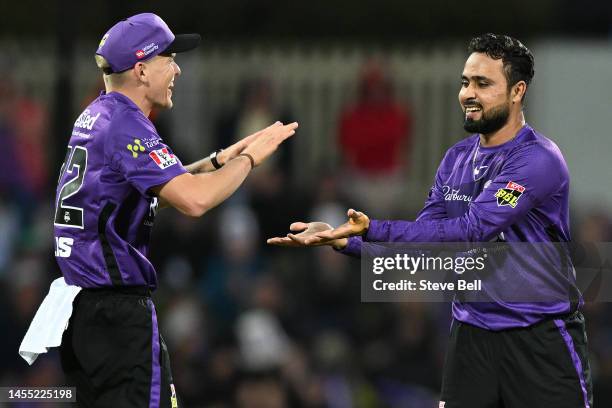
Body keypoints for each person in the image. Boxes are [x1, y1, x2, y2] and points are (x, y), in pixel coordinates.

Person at [269, 33, 593, 408]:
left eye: (483, 83)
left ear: (517, 90)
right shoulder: (455, 159)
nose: (468, 93)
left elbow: (472, 231)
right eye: (465, 82)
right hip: (472, 335)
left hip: (540, 339)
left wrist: (372, 228)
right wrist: (346, 242)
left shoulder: (537, 160)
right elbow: (428, 245)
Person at [48, 13, 297, 407]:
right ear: (142, 69)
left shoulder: (97, 114)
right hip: (118, 316)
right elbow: (194, 201)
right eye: (169, 58)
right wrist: (249, 159)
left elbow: (143, 193)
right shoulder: (126, 124)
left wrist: (219, 160)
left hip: (82, 313)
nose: (177, 69)